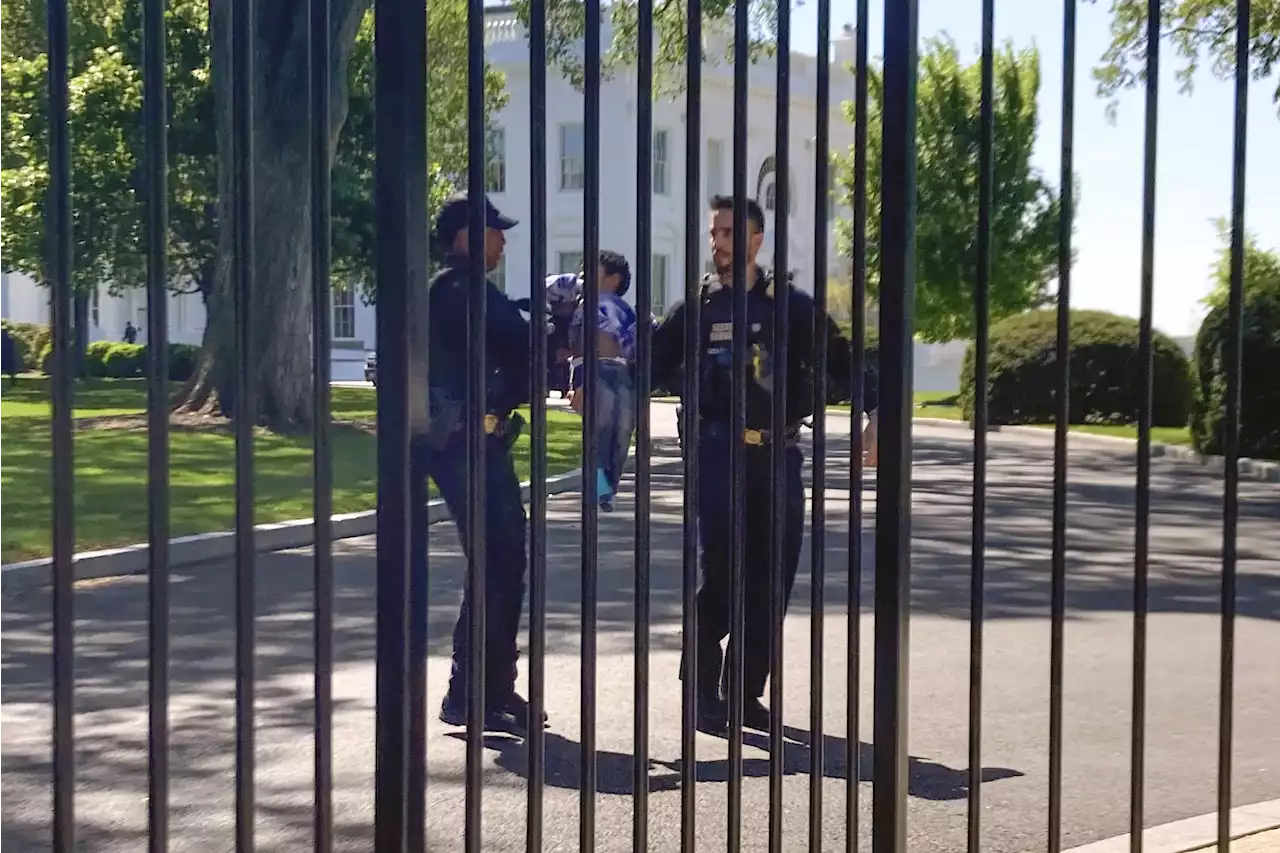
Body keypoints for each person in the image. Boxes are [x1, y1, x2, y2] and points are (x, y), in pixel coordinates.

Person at [650, 194, 880, 733]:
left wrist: (877, 413)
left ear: (756, 238)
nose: (718, 243)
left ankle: (744, 693)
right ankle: (702, 689)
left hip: (778, 454)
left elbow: (842, 359)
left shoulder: (790, 305)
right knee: (725, 576)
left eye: (729, 233)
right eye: (713, 233)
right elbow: (652, 364)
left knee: (772, 580)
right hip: (717, 453)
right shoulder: (698, 308)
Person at [418, 192, 543, 735]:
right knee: (497, 560)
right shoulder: (457, 291)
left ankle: (489, 687)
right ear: (467, 236)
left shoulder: (471, 292)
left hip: (483, 442)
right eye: (495, 230)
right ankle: (469, 692)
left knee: (503, 561)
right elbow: (518, 345)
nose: (503, 240)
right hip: (463, 443)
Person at [568, 250, 637, 513]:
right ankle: (599, 489)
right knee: (601, 431)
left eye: (592, 270)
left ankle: (610, 486)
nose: (584, 276)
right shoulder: (586, 306)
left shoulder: (626, 311)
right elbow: (578, 346)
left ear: (614, 278)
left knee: (622, 433)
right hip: (596, 371)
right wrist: (578, 382)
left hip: (623, 374)